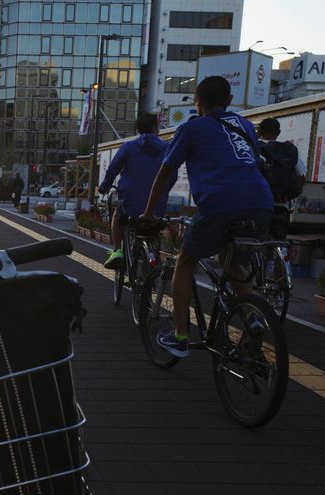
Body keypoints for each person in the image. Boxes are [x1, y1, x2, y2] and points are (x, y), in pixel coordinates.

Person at [141, 75, 273, 358]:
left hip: (220, 203)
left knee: (186, 261)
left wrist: (149, 213)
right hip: (262, 203)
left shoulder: (192, 128)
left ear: (198, 103)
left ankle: (179, 336)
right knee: (233, 258)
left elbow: (165, 174)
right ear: (229, 101)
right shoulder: (246, 125)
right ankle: (253, 316)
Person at [99, 112, 175, 269]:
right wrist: (164, 190)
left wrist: (105, 187)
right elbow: (172, 175)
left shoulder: (129, 147)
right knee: (154, 228)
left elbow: (113, 170)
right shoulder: (168, 148)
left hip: (130, 204)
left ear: (138, 129)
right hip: (157, 205)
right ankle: (153, 265)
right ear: (156, 128)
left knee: (117, 216)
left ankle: (118, 251)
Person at [256, 117, 306, 240]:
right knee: (278, 244)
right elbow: (302, 177)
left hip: (257, 206)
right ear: (278, 133)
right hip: (282, 206)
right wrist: (289, 195)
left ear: (258, 131)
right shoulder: (290, 150)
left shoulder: (253, 149)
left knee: (254, 243)